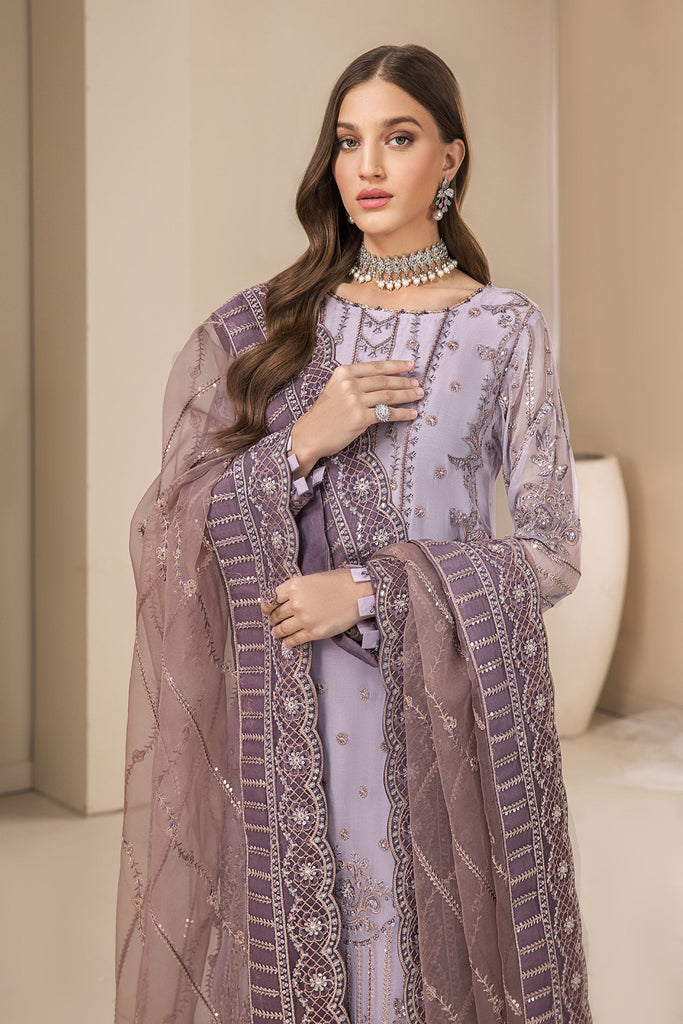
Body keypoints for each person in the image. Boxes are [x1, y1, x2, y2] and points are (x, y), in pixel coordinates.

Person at [115, 44, 592, 1024]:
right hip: (288, 717)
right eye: (346, 141)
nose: (366, 166)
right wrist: (303, 439)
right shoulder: (274, 327)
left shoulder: (503, 329)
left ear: (450, 158)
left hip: (440, 718)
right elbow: (170, 521)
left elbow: (551, 552)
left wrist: (368, 591)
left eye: (397, 138)